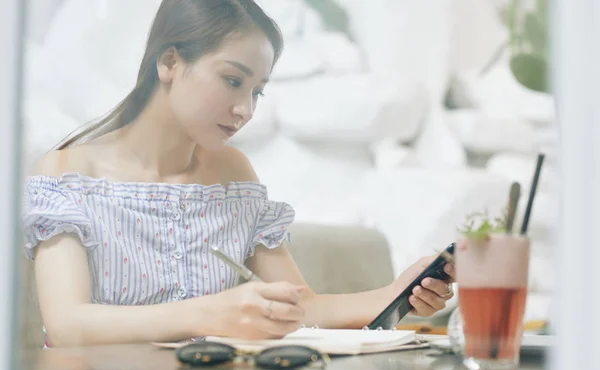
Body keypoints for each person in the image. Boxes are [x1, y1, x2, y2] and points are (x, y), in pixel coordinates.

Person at [22, 0, 455, 348]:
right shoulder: (66, 175)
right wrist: (211, 313)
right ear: (169, 62)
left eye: (257, 91)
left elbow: (302, 309)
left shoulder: (233, 175)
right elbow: (68, 326)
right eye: (233, 81)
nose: (245, 110)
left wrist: (398, 292)